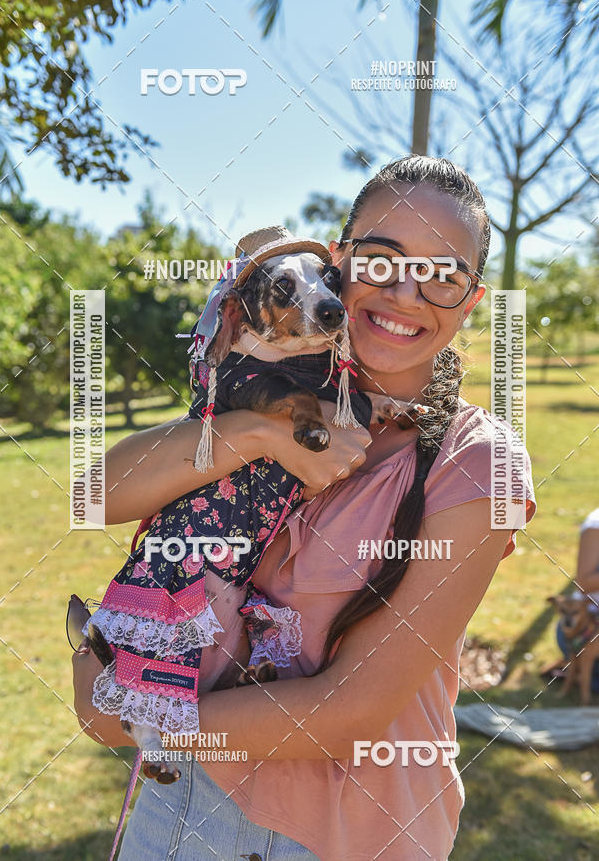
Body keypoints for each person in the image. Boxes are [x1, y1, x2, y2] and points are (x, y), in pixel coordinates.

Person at [72, 156, 536, 860]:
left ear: (471, 300)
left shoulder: (478, 461)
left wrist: (139, 721)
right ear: (340, 262)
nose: (406, 293)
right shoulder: (273, 384)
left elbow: (352, 710)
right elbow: (93, 493)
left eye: (443, 274)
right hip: (185, 810)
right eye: (382, 260)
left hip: (349, 835)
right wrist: (254, 431)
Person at [554, 508, 599, 691]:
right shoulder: (595, 525)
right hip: (588, 628)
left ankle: (574, 671)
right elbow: (584, 582)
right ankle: (577, 671)